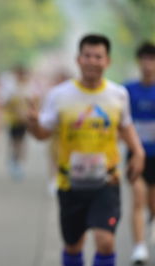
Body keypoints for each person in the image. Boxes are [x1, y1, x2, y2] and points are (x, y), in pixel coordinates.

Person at [27, 34, 145, 266]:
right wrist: (33, 123)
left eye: (98, 56)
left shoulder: (118, 94)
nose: (92, 61)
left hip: (106, 182)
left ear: (107, 61)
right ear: (78, 60)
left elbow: (126, 125)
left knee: (105, 242)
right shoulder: (59, 95)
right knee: (73, 245)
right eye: (87, 56)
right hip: (70, 183)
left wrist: (138, 153)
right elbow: (43, 135)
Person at [124, 41, 155, 264]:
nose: (148, 64)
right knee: (138, 198)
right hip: (136, 155)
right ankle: (139, 248)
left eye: (152, 59)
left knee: (152, 203)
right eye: (144, 59)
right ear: (138, 61)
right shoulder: (127, 90)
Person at [0, 64, 31, 180]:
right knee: (14, 141)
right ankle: (14, 160)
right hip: (13, 120)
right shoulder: (11, 87)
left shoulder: (28, 87)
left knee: (21, 141)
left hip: (24, 120)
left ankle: (18, 162)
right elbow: (4, 102)